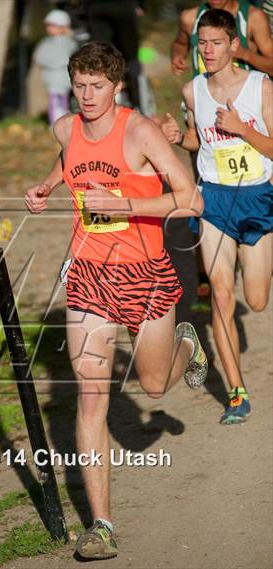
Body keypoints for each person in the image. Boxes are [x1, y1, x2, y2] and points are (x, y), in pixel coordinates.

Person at [25, 41, 208, 559]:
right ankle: (101, 524)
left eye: (97, 87)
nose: (86, 96)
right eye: (79, 86)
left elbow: (190, 198)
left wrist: (125, 201)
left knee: (152, 385)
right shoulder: (64, 127)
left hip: (145, 271)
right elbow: (70, 160)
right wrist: (44, 186)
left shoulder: (140, 132)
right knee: (90, 396)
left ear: (117, 85)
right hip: (89, 273)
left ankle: (186, 348)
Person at [162, 9, 272, 425]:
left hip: (259, 199)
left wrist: (243, 129)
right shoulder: (194, 91)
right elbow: (197, 139)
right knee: (222, 296)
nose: (207, 51)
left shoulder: (260, 87)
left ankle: (252, 260)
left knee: (257, 300)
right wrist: (180, 138)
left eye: (215, 43)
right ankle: (236, 394)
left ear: (233, 45)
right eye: (201, 44)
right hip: (216, 202)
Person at [171, 0, 273, 77]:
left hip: (244, 101)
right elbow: (180, 44)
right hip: (204, 98)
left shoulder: (253, 17)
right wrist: (178, 55)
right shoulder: (189, 17)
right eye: (203, 42)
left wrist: (245, 54)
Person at [84, 0, 145, 110]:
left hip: (95, 7)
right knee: (130, 57)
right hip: (121, 6)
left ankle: (100, 105)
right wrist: (140, 5)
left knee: (101, 58)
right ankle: (137, 104)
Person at [33, 9, 78, 126]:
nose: (49, 28)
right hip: (51, 78)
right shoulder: (47, 42)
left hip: (63, 77)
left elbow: (67, 57)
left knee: (61, 101)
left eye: (53, 25)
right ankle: (55, 122)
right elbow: (39, 57)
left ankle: (59, 123)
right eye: (48, 25)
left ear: (63, 27)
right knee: (54, 101)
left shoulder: (68, 42)